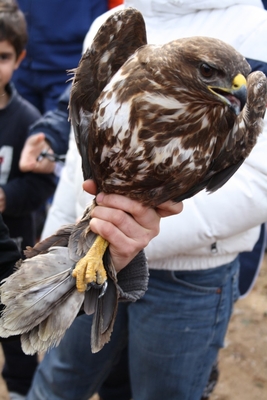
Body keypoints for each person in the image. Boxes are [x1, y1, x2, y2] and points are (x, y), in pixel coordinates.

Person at [24, 1, 267, 400]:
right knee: (59, 382)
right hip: (91, 252)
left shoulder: (258, 30)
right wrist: (67, 236)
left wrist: (138, 234)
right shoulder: (114, 23)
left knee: (162, 392)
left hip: (190, 280)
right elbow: (83, 148)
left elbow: (258, 179)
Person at [0, 1, 57, 399]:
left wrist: (6, 197)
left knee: (16, 331)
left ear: (19, 58)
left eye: (2, 56)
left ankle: (21, 391)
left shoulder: (28, 119)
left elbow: (40, 189)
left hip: (13, 253)